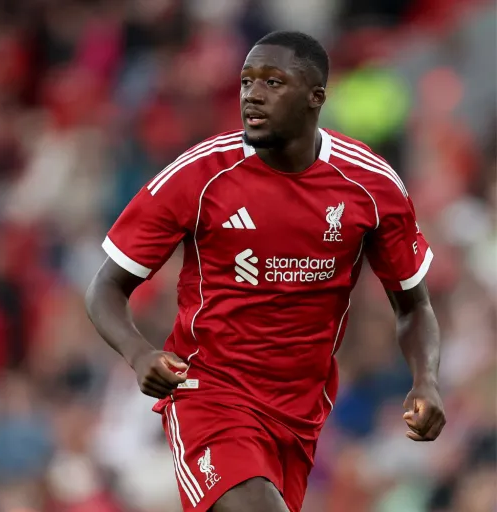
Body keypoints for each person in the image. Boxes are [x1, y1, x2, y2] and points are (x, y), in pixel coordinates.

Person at [85, 31, 445, 512]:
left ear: (316, 98)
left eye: (273, 82)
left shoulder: (370, 186)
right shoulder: (201, 174)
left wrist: (426, 380)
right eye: (246, 81)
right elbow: (106, 286)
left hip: (300, 416)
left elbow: (413, 305)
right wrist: (137, 353)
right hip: (208, 394)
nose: (252, 94)